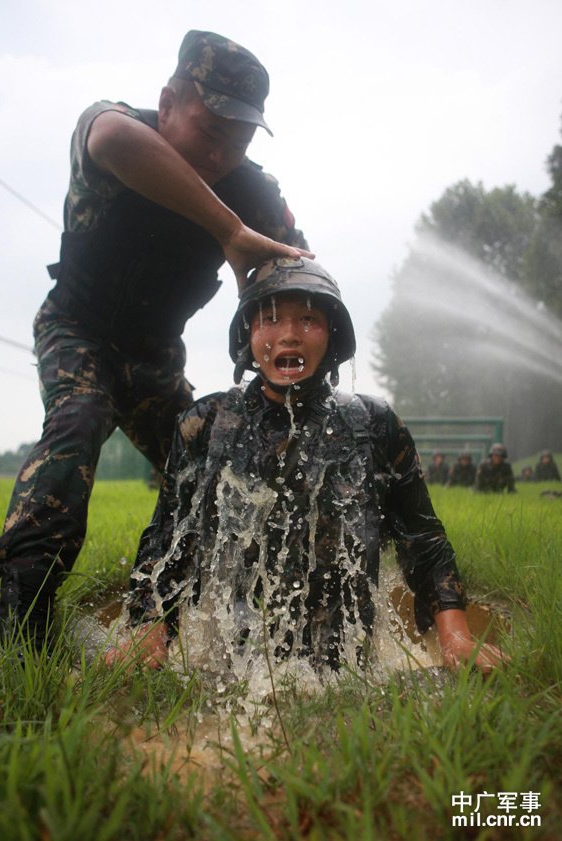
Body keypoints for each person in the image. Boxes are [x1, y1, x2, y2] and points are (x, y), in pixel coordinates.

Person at [0, 30, 313, 658]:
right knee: (76, 423)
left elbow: (300, 271)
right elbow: (108, 136)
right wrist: (228, 229)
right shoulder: (118, 133)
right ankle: (20, 620)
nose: (220, 156)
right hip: (78, 331)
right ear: (167, 104)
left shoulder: (253, 192)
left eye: (237, 142)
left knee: (210, 469)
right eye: (208, 132)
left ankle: (208, 605)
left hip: (157, 359)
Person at [110, 257, 506, 675]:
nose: (288, 336)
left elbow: (422, 538)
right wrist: (146, 629)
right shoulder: (205, 424)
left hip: (344, 659)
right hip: (231, 660)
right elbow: (168, 539)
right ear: (249, 333)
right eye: (270, 319)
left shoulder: (373, 425)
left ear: (332, 335)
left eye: (308, 319)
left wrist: (456, 637)